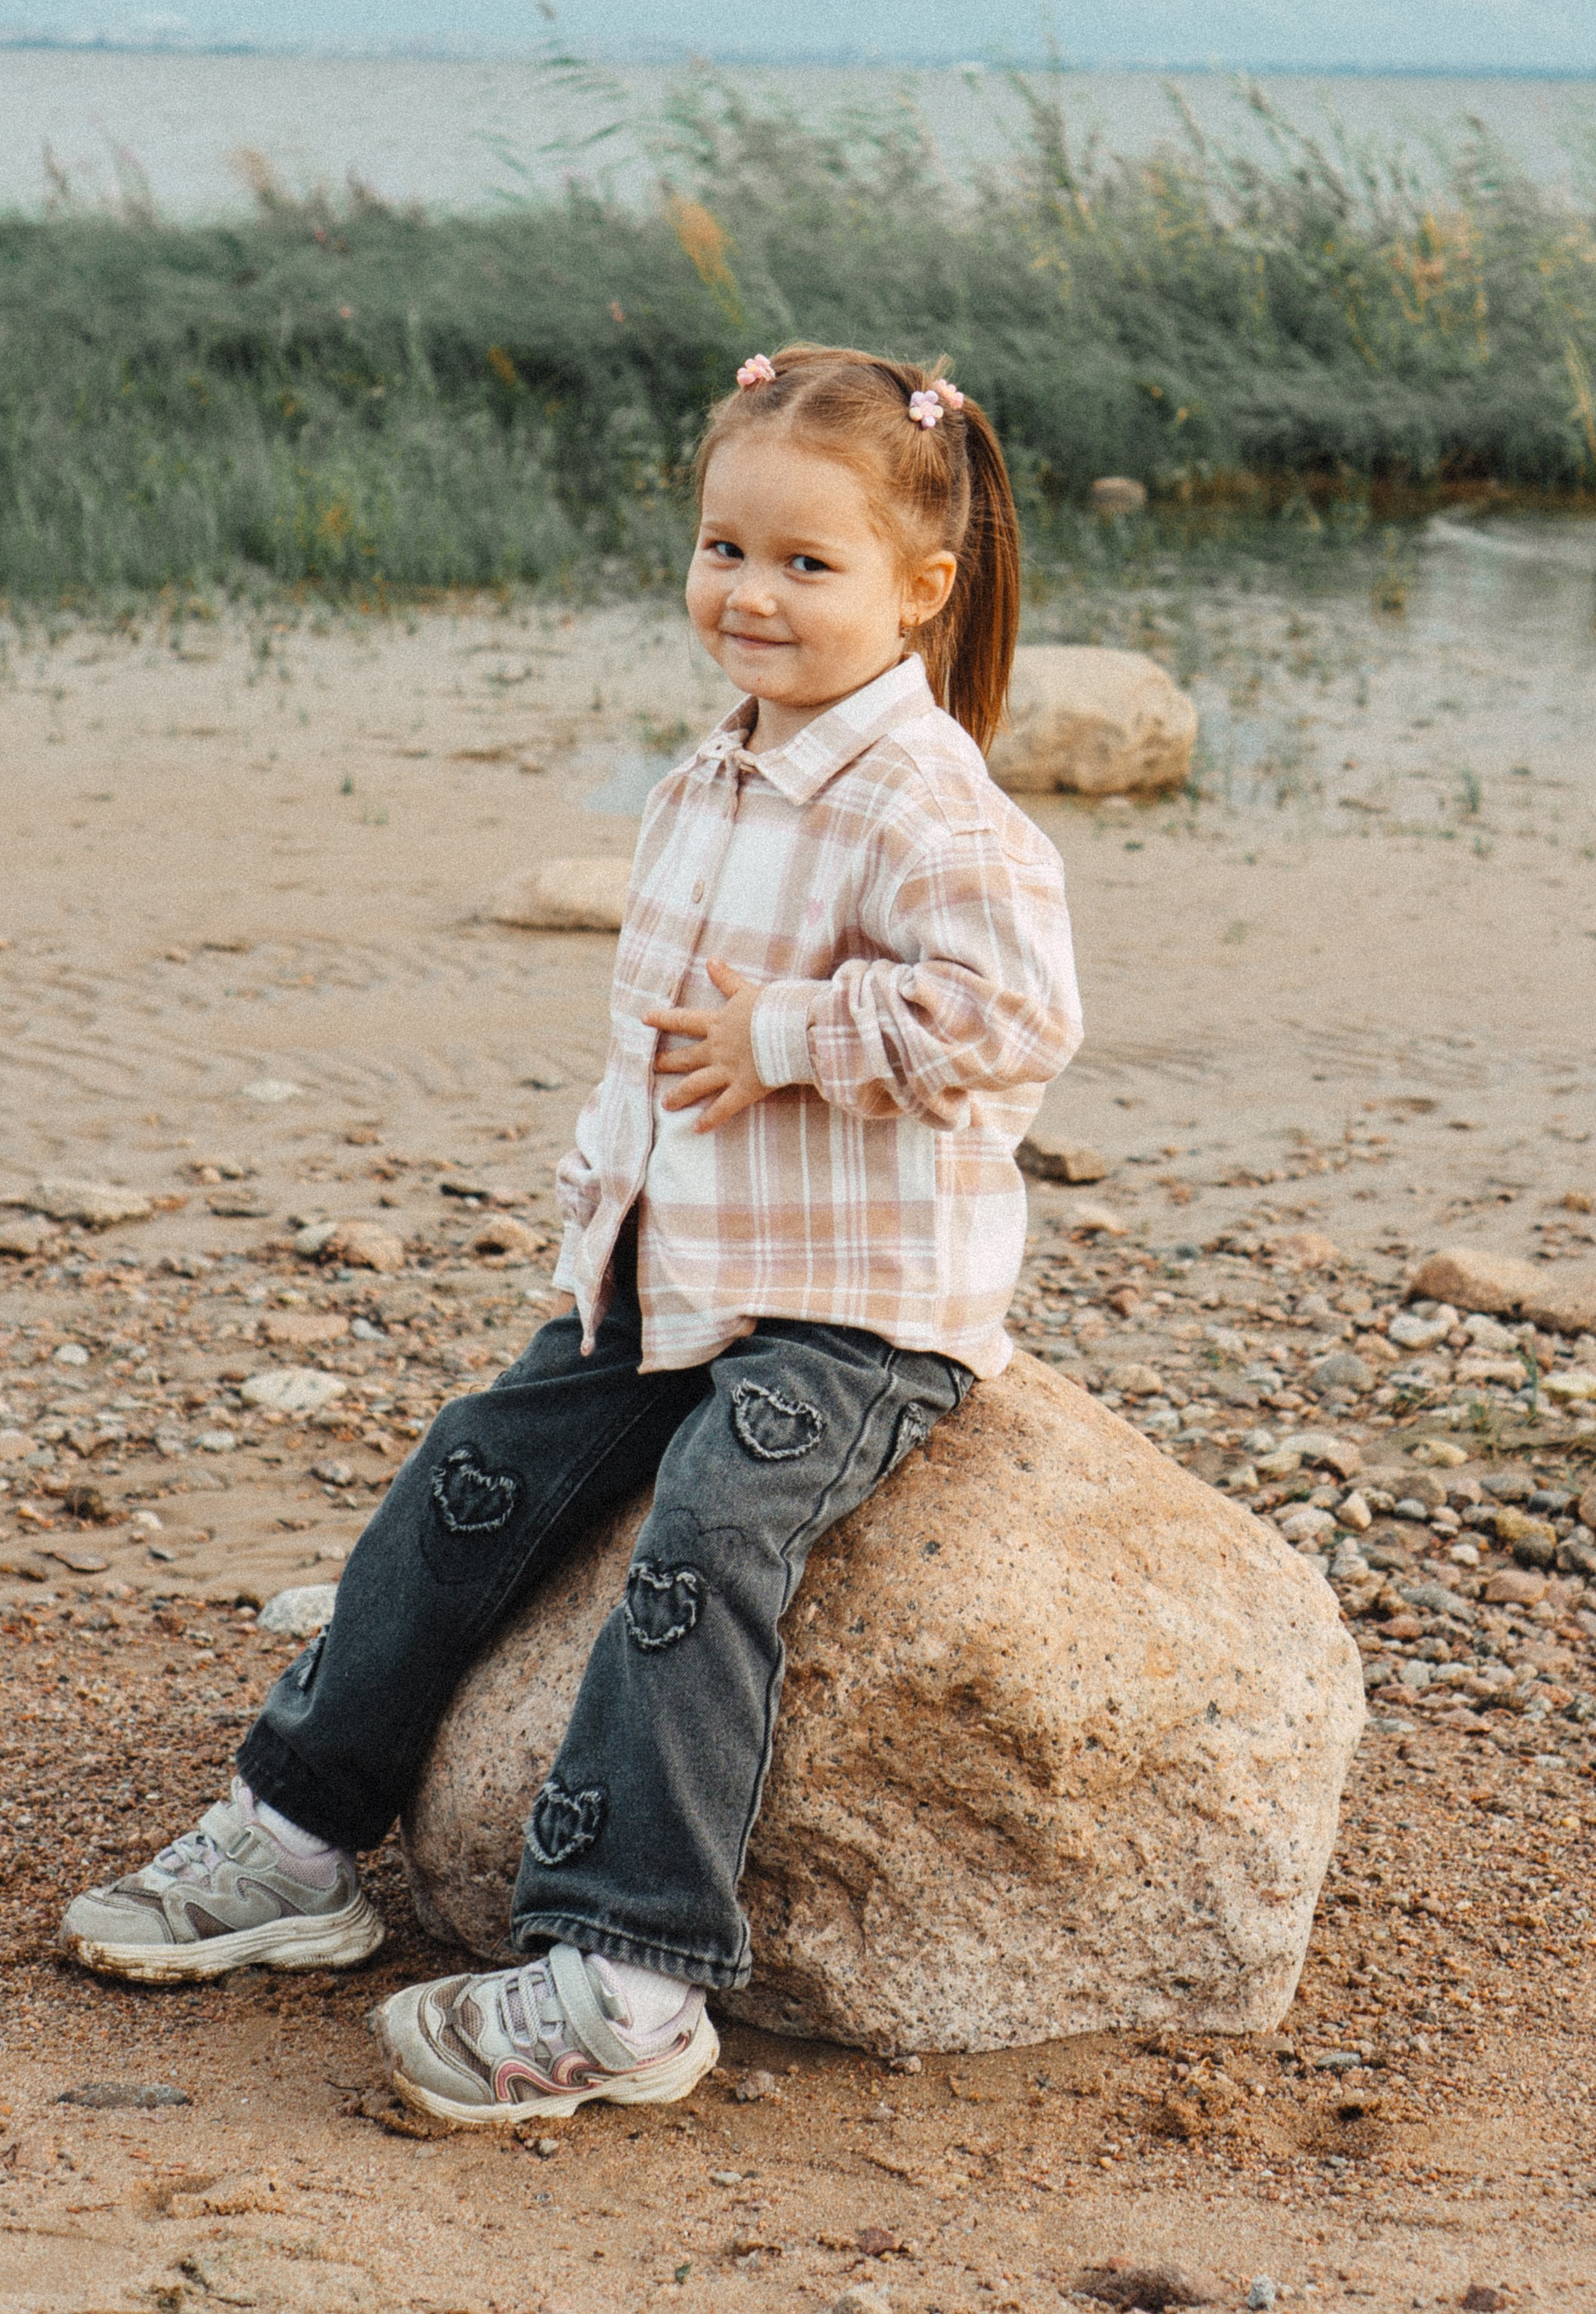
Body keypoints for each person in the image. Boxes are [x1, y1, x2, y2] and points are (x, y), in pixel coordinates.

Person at [60, 344, 1082, 2128]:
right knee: (479, 1464)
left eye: (805, 564)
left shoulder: (926, 802)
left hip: (855, 1306)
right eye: (722, 549)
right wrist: (598, 1224)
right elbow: (646, 1057)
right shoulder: (713, 773)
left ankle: (629, 1974)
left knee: (707, 1531)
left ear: (921, 588)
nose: (748, 593)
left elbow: (1013, 1026)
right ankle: (299, 1830)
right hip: (671, 1271)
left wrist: (792, 1034)